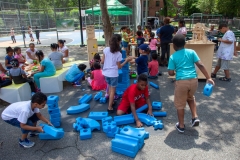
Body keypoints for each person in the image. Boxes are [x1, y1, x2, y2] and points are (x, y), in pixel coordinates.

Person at [168, 34, 215, 133]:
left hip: (181, 82)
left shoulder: (173, 57)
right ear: (184, 44)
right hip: (194, 80)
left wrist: (177, 71)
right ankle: (195, 117)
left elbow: (171, 72)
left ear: (174, 45)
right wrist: (208, 77)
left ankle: (181, 126)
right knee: (190, 97)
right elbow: (200, 64)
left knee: (180, 104)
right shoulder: (192, 52)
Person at [101, 34, 132, 112]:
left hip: (105, 73)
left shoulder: (106, 49)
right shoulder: (118, 54)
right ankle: (110, 107)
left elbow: (102, 61)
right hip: (113, 74)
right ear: (119, 42)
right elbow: (119, 66)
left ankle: (110, 100)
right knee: (112, 91)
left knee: (109, 86)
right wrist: (126, 60)